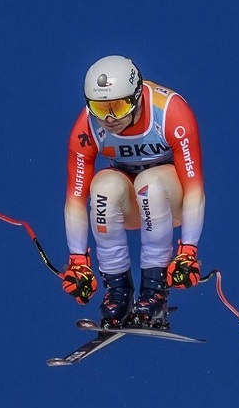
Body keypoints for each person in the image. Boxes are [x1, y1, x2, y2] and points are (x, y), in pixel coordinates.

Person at [59, 55, 205, 329]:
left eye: (119, 106)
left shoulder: (169, 112)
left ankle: (154, 292)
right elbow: (75, 200)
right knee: (103, 187)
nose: (110, 118)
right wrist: (78, 260)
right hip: (132, 205)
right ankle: (118, 293)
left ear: (137, 96)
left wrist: (188, 250)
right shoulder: (88, 126)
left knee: (149, 183)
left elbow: (195, 189)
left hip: (171, 200)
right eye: (101, 109)